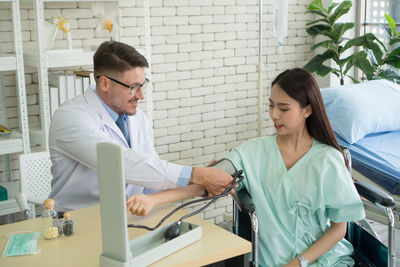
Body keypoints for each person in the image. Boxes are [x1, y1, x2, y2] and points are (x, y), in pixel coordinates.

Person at [126, 68, 366, 267]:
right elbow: (207, 182)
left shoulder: (327, 160)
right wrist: (153, 200)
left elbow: (339, 228)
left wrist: (299, 263)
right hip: (270, 262)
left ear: (307, 110)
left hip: (324, 261)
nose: (274, 115)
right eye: (271, 105)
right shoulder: (253, 152)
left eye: (284, 109)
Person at [48, 40, 233, 212]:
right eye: (133, 87)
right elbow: (119, 163)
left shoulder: (135, 117)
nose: (141, 96)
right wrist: (197, 175)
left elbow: (150, 174)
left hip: (128, 216)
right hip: (78, 221)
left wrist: (200, 184)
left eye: (142, 85)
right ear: (105, 83)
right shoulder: (70, 117)